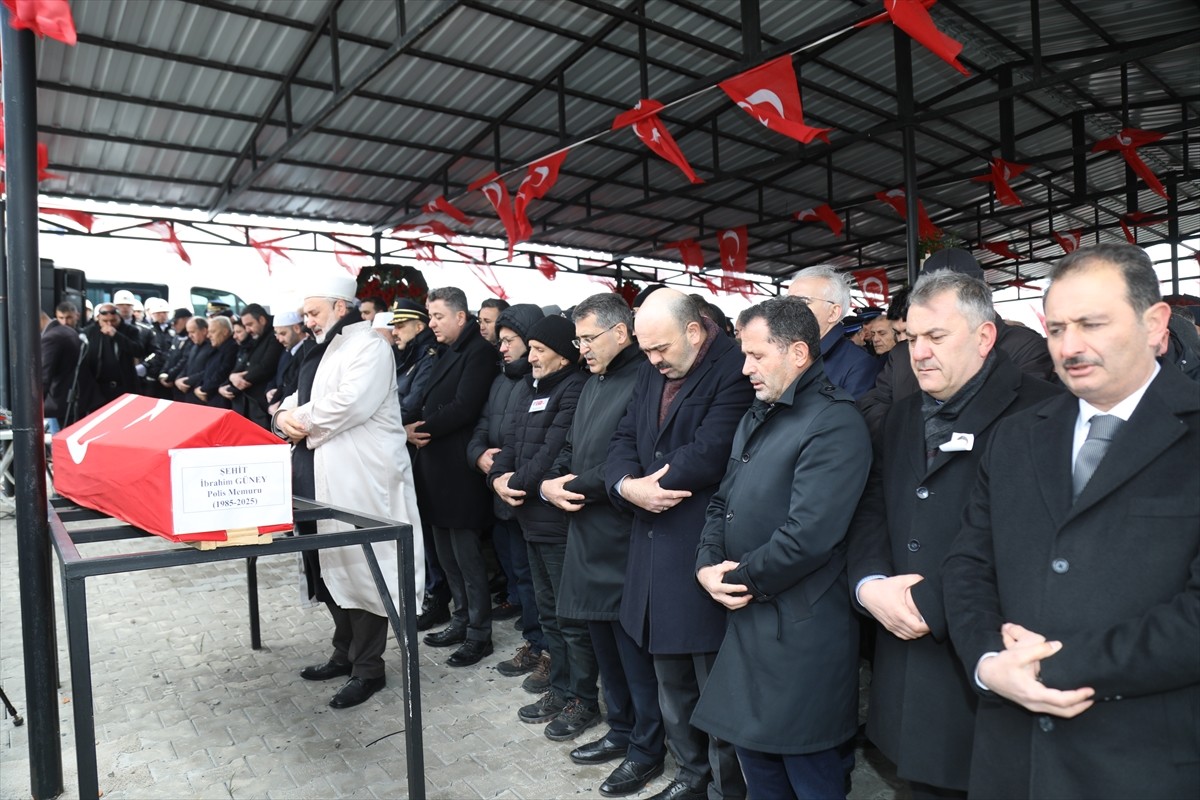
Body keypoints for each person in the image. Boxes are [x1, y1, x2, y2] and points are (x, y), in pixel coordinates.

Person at [942, 243, 1199, 799]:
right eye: (1056, 328)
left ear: (1156, 324)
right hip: (1010, 760)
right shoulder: (1015, 435)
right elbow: (968, 564)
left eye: (1092, 324)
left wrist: (1048, 667)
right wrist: (988, 662)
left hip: (1144, 765)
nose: (1070, 346)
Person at [846, 272, 1060, 798]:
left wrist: (929, 602)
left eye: (936, 338)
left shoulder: (1042, 410)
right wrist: (870, 584)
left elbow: (1033, 537)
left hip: (982, 666)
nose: (918, 353)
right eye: (912, 338)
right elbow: (874, 505)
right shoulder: (900, 416)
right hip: (903, 653)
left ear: (984, 337)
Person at [691, 296, 870, 800]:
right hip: (749, 621)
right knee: (759, 769)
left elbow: (808, 536)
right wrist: (705, 564)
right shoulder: (759, 414)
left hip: (801, 633)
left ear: (796, 353)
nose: (744, 367)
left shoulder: (835, 423)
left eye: (755, 355)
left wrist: (732, 578)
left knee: (809, 771)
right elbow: (721, 502)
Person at [606, 287, 753, 800]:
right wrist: (627, 487)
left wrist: (651, 487)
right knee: (669, 674)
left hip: (700, 545)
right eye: (645, 350)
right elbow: (624, 437)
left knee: (712, 679)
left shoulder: (736, 366)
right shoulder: (654, 365)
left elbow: (711, 449)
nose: (652, 360)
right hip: (650, 541)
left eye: (660, 348)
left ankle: (725, 783)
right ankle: (690, 772)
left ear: (694, 331)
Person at [275, 274, 425, 709]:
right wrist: (283, 416)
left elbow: (349, 404)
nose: (307, 320)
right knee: (326, 566)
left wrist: (296, 420)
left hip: (360, 480)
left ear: (341, 307)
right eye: (305, 313)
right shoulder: (321, 350)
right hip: (319, 473)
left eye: (314, 312)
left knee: (364, 570)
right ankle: (344, 653)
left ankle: (369, 669)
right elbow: (293, 398)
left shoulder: (369, 346)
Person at [544, 293, 666, 796]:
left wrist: (571, 486)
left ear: (621, 333)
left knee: (632, 652)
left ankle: (647, 747)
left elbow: (633, 457)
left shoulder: (645, 379)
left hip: (622, 531)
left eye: (588, 338)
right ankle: (620, 729)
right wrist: (552, 480)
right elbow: (572, 447)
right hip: (585, 531)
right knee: (601, 643)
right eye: (577, 340)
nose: (581, 349)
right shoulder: (593, 381)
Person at [487, 316, 591, 732]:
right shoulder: (535, 390)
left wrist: (514, 483)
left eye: (538, 349)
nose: (530, 357)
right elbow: (512, 443)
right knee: (549, 613)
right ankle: (562, 689)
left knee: (569, 617)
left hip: (556, 521)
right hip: (529, 517)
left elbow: (551, 453)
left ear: (562, 354)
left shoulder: (574, 389)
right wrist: (497, 477)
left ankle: (581, 697)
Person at [859, 249, 1055, 437]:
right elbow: (872, 405)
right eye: (931, 291)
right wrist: (913, 437)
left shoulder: (1026, 346)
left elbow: (1029, 414)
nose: (920, 353)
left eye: (937, 337)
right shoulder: (902, 354)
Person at [408, 287, 500, 666]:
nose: (431, 324)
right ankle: (460, 619)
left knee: (467, 556)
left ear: (461, 317)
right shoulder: (444, 350)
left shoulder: (478, 353)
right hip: (435, 467)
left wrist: (420, 427)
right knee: (445, 552)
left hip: (457, 470)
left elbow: (464, 407)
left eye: (438, 317)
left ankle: (480, 632)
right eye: (430, 317)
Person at [467, 304, 547, 681]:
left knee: (539, 580)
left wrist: (512, 474)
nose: (503, 348)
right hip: (501, 493)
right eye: (501, 340)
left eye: (510, 340)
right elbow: (482, 426)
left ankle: (546, 648)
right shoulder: (500, 382)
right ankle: (534, 642)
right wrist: (479, 456)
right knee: (521, 574)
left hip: (531, 497)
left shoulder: (543, 382)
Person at [787, 265, 882, 399]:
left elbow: (849, 418)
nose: (789, 310)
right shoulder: (782, 353)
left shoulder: (859, 365)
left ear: (833, 313)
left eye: (803, 302)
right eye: (787, 302)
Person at [221, 304, 284, 427]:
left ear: (261, 320)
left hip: (263, 405)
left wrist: (235, 384)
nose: (248, 330)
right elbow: (245, 362)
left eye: (250, 325)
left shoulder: (274, 335)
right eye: (245, 326)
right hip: (251, 403)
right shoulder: (257, 335)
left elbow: (265, 367)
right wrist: (232, 378)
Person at [81, 301, 146, 410]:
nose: (109, 324)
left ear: (119, 317)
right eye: (105, 321)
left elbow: (138, 351)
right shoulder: (90, 332)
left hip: (123, 386)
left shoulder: (130, 330)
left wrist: (116, 335)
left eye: (113, 321)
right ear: (98, 319)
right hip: (99, 388)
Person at [42, 301, 84, 431]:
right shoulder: (66, 333)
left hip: (60, 401)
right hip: (69, 400)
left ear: (77, 315)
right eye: (61, 318)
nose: (65, 322)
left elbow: (44, 375)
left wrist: (33, 404)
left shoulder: (52, 337)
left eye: (69, 317)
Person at [265, 310, 313, 416]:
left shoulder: (307, 351)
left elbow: (295, 384)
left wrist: (280, 406)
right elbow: (279, 374)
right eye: (277, 334)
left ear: (296, 328)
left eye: (283, 333)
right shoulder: (287, 350)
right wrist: (270, 390)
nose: (279, 339)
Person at [194, 316, 238, 408]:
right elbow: (207, 371)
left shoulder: (232, 348)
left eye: (212, 332)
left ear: (225, 331)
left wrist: (203, 389)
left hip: (223, 402)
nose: (208, 336)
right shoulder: (217, 348)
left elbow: (222, 373)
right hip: (212, 399)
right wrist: (200, 387)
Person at [167, 317, 213, 403]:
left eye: (192, 332)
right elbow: (187, 365)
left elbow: (209, 371)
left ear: (204, 330)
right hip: (188, 394)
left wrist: (186, 380)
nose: (190, 335)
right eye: (188, 332)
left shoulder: (212, 347)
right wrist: (178, 379)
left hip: (202, 394)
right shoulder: (194, 346)